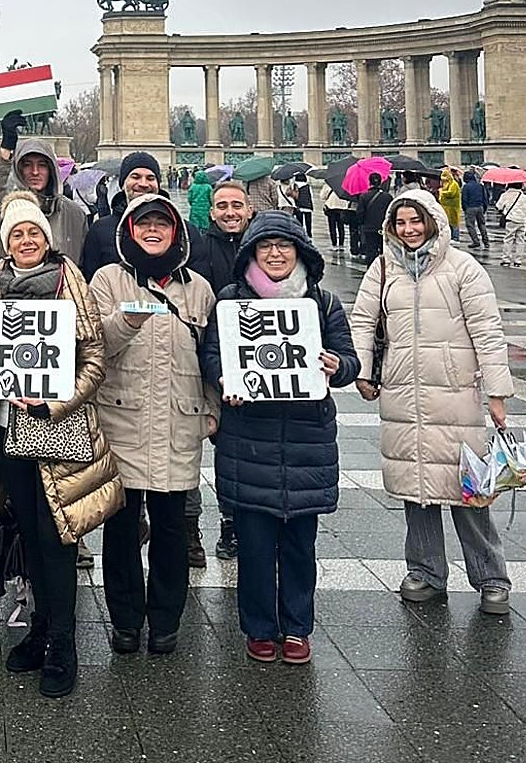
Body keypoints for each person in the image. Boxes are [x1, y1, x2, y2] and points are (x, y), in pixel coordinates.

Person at [0, 191, 123, 698]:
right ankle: (41, 625)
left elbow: (94, 357)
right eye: (16, 234)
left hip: (52, 422)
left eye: (34, 232)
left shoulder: (70, 280)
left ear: (47, 236)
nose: (26, 241)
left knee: (56, 533)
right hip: (4, 424)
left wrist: (52, 405)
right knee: (25, 530)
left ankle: (63, 640)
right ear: (6, 241)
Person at [199, 212, 360, 664]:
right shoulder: (229, 301)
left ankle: (297, 627)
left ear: (299, 253)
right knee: (252, 547)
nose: (275, 253)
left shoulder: (323, 303)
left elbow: (349, 360)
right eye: (265, 246)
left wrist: (336, 366)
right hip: (250, 437)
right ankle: (259, 627)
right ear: (251, 253)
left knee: (298, 546)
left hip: (306, 439)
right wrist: (225, 376)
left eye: (283, 246)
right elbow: (211, 356)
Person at [349, 190, 514, 615]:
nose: (409, 230)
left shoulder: (463, 267)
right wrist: (363, 371)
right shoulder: (384, 268)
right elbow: (364, 320)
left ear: (433, 222)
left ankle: (491, 576)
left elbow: (488, 331)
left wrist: (497, 392)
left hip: (455, 392)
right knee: (417, 488)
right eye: (401, 223)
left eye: (416, 221)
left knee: (469, 490)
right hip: (404, 392)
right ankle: (425, 572)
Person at [89, 193, 219, 655]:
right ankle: (125, 619)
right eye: (143, 223)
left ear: (175, 232)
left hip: (179, 420)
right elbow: (95, 347)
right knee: (121, 529)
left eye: (161, 223)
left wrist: (213, 409)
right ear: (129, 230)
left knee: (169, 528)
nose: (152, 230)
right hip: (121, 417)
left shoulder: (199, 288)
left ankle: (165, 619)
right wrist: (126, 321)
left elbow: (211, 357)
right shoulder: (107, 280)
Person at [188, 179, 254, 560]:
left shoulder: (262, 246)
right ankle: (201, 525)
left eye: (237, 205)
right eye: (223, 206)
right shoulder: (198, 248)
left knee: (240, 450)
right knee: (205, 446)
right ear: (212, 211)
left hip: (252, 363)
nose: (230, 212)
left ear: (248, 209)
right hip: (209, 360)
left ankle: (234, 522)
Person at [0, 111, 90, 265]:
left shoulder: (74, 214)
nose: (35, 172)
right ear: (18, 169)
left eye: (42, 165)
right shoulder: (6, 209)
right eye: (27, 165)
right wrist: (4, 152)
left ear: (51, 169)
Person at [81, 152, 210, 283]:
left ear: (158, 184)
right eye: (135, 177)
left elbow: (198, 281)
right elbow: (90, 280)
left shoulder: (187, 231)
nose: (143, 184)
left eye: (150, 178)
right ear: (122, 183)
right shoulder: (100, 230)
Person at [357, 173, 392, 266]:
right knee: (384, 250)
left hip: (369, 228)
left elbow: (360, 214)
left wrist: (361, 224)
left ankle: (372, 270)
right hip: (383, 228)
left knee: (371, 250)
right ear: (380, 182)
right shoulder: (387, 197)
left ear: (369, 182)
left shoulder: (364, 196)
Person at [497, 182, 526, 267]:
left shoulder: (505, 195)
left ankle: (506, 259)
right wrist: (524, 217)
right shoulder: (524, 197)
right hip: (522, 221)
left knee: (508, 239)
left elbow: (498, 206)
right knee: (520, 240)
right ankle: (518, 260)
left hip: (511, 220)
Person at [461, 170, 490, 251]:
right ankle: (486, 241)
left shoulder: (466, 187)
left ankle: (475, 241)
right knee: (482, 225)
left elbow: (464, 199)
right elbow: (485, 197)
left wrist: (465, 208)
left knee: (470, 225)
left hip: (470, 207)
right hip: (480, 206)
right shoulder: (480, 185)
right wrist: (484, 207)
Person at [321, 182, 350, 252]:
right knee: (341, 227)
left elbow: (322, 196)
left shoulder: (329, 184)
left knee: (332, 227)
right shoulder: (346, 184)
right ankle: (341, 244)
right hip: (342, 207)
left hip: (331, 207)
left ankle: (334, 244)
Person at [437, 168, 462, 243]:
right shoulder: (446, 184)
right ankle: (451, 237)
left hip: (453, 207)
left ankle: (456, 237)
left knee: (454, 223)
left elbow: (451, 193)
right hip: (446, 207)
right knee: (448, 223)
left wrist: (441, 192)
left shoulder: (453, 184)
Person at [290, 173, 314, 237]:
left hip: (299, 205)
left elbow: (294, 196)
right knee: (308, 221)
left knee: (300, 222)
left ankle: (301, 234)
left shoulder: (295, 185)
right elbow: (311, 195)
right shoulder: (307, 186)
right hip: (308, 206)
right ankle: (309, 233)